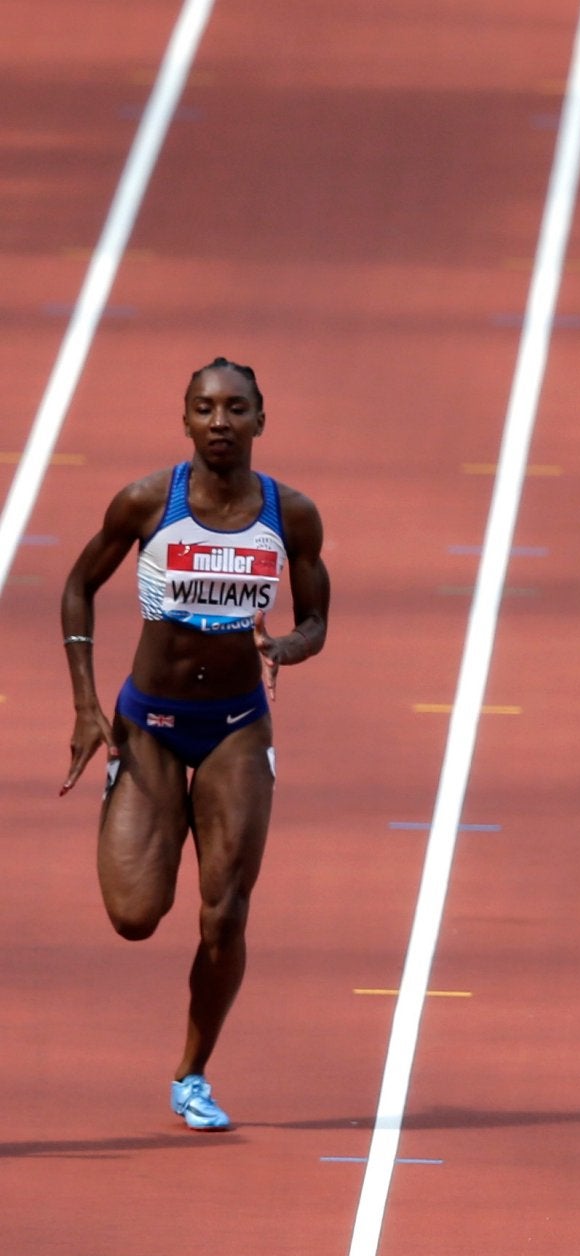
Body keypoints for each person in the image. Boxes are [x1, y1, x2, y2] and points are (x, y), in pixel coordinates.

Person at [57, 357, 329, 1131]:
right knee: (136, 915)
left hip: (237, 729)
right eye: (205, 408)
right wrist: (85, 704)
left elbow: (317, 617)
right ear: (184, 420)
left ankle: (192, 1071)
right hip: (150, 724)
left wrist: (289, 647)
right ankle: (140, 807)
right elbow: (78, 584)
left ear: (259, 421)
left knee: (224, 916)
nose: (220, 422)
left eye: (235, 408)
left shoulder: (291, 514)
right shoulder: (148, 501)